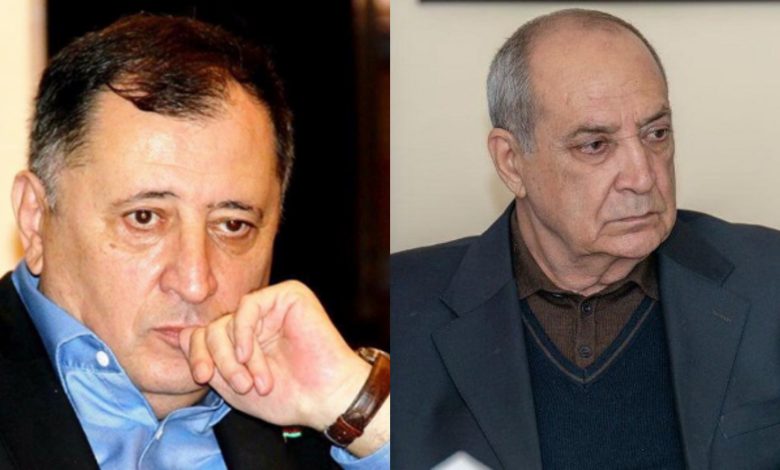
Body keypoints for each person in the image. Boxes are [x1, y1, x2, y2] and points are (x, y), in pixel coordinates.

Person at [392, 8, 780, 470]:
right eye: (595, 145)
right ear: (512, 162)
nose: (642, 177)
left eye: (656, 134)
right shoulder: (401, 306)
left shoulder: (768, 278)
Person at [0, 14, 389, 470]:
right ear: (35, 217)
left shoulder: (322, 420)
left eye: (232, 225)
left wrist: (358, 406)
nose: (194, 282)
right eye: (144, 218)